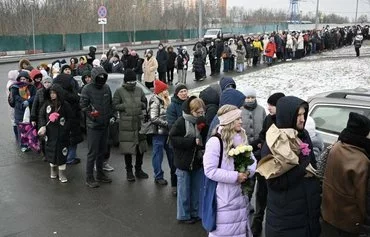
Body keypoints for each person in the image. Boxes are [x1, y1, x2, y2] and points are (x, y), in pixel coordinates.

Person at [258, 96, 321, 237]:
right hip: (286, 221)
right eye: (298, 115)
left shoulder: (304, 136)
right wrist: (300, 167)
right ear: (288, 116)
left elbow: (312, 167)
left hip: (307, 215)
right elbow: (274, 182)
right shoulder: (273, 142)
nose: (303, 119)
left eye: (304, 114)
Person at [203, 105, 256, 237]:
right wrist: (235, 176)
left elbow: (252, 159)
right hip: (224, 199)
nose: (241, 121)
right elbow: (209, 170)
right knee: (225, 231)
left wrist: (248, 172)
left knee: (240, 229)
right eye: (237, 119)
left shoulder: (241, 137)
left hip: (241, 196)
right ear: (229, 121)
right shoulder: (215, 142)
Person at [321, 112, 370, 237]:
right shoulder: (362, 161)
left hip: (329, 216)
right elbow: (364, 199)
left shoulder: (336, 147)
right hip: (349, 223)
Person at [169, 96, 208, 224]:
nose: (201, 115)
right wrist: (191, 141)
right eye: (198, 113)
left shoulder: (201, 122)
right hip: (183, 162)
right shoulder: (181, 122)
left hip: (197, 161)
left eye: (202, 112)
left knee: (196, 190)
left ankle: (195, 212)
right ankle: (184, 215)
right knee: (184, 191)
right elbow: (172, 139)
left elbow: (205, 138)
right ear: (191, 111)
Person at [251, 92, 285, 236]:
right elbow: (262, 135)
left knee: (274, 200)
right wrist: (258, 144)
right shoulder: (268, 119)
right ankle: (257, 223)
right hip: (264, 163)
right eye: (268, 104)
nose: (269, 107)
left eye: (272, 105)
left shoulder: (285, 122)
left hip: (277, 168)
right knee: (261, 195)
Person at [112, 69, 149, 182]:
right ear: (126, 81)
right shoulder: (119, 91)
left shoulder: (139, 90)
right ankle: (129, 171)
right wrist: (126, 107)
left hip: (139, 121)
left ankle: (139, 169)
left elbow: (144, 102)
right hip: (126, 123)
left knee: (140, 148)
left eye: (134, 81)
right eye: (130, 81)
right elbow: (115, 105)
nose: (132, 83)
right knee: (127, 148)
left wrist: (140, 105)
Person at [80, 67, 113, 188]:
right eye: (99, 77)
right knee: (92, 152)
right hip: (93, 126)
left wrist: (112, 115)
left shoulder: (106, 87)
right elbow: (83, 105)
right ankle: (89, 177)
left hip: (105, 124)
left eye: (103, 77)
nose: (101, 79)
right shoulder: (87, 89)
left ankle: (100, 173)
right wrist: (92, 115)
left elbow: (110, 104)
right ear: (94, 77)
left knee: (102, 151)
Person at [38, 84, 72, 183]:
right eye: (51, 93)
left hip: (62, 134)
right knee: (51, 151)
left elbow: (70, 118)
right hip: (50, 133)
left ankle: (62, 173)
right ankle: (53, 169)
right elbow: (41, 116)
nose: (52, 95)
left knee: (62, 152)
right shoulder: (46, 104)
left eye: (54, 93)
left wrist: (65, 128)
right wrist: (43, 125)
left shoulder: (65, 105)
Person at [240, 87, 266, 204]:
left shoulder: (261, 110)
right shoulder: (240, 111)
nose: (250, 100)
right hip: (245, 151)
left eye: (252, 97)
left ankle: (260, 204)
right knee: (248, 180)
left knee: (261, 181)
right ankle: (246, 202)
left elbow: (265, 128)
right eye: (247, 97)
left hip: (259, 150)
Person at [148, 79, 175, 186]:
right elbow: (153, 118)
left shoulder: (167, 100)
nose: (167, 91)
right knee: (158, 155)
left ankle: (174, 174)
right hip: (158, 134)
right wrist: (167, 123)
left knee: (171, 154)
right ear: (160, 91)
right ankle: (158, 176)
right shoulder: (155, 101)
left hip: (167, 133)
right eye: (165, 90)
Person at [54, 74, 83, 165]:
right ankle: (70, 158)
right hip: (72, 121)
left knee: (64, 141)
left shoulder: (56, 94)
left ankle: (64, 157)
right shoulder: (70, 96)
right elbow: (77, 104)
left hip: (62, 122)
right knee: (73, 141)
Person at [9, 71, 36, 152]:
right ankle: (23, 145)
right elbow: (15, 96)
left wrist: (29, 101)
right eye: (21, 79)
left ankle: (30, 143)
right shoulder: (15, 87)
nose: (23, 80)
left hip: (29, 110)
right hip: (19, 110)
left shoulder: (31, 87)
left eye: (24, 79)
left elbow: (35, 95)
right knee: (21, 129)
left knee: (29, 128)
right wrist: (23, 101)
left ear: (28, 79)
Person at [7, 70, 19, 142]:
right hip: (13, 105)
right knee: (15, 121)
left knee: (13, 120)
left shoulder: (9, 82)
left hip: (10, 104)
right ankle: (17, 136)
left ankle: (17, 136)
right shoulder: (13, 85)